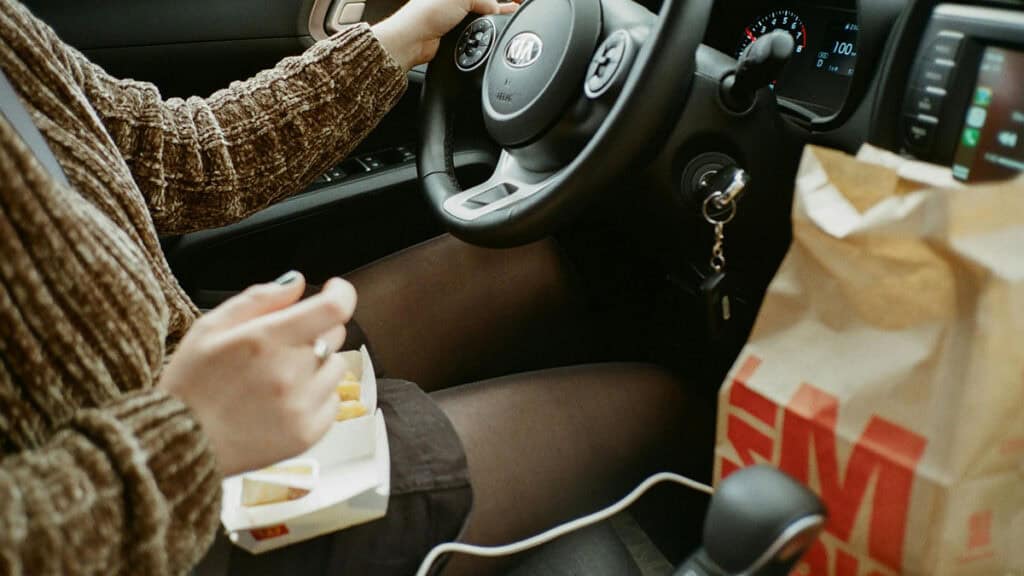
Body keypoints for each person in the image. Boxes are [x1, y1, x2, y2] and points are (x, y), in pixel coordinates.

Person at [0, 0, 708, 574]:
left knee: (546, 262)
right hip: (162, 517)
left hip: (169, 360)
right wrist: (188, 438)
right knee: (665, 399)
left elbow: (174, 153)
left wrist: (396, 41)